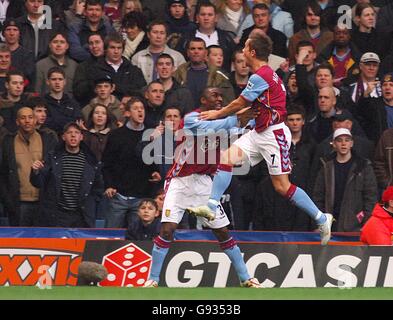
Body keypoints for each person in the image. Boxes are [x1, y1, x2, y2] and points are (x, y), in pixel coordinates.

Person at [188, 31, 333, 245]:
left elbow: (239, 103)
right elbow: (263, 105)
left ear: (252, 52)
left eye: (245, 47)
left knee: (282, 187)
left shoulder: (261, 76)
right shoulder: (267, 74)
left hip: (274, 135)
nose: (243, 50)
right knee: (226, 159)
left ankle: (321, 218)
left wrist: (216, 114)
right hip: (260, 132)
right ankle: (211, 206)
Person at [143, 86, 262, 288]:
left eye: (221, 96)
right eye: (214, 95)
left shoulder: (224, 121)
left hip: (206, 183)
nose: (219, 99)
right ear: (202, 99)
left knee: (222, 232)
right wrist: (238, 116)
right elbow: (215, 127)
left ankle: (246, 278)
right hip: (180, 181)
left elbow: (244, 127)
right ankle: (152, 280)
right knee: (167, 229)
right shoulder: (190, 119)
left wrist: (255, 112)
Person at [102, 97, 161, 228]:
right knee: (111, 237)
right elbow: (107, 164)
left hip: (141, 198)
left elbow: (154, 162)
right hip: (119, 196)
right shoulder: (116, 135)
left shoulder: (152, 134)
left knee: (137, 239)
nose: (140, 111)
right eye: (135, 108)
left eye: (142, 109)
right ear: (127, 113)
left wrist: (155, 172)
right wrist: (109, 185)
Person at [30, 122, 103, 228]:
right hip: (57, 215)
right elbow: (38, 183)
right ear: (63, 137)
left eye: (76, 132)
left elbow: (98, 187)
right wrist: (35, 171)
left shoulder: (91, 161)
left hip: (81, 216)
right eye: (69, 132)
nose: (73, 135)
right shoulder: (53, 157)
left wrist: (91, 204)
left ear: (81, 137)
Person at [0, 107, 57, 226]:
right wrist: (8, 200)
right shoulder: (8, 141)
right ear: (17, 122)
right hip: (18, 204)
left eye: (30, 117)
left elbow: (54, 170)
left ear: (35, 120)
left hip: (42, 203)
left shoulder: (47, 139)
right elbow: (3, 173)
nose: (27, 121)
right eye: (23, 118)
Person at [313, 128, 378, 232]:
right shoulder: (326, 167)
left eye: (347, 140)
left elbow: (370, 197)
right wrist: (320, 223)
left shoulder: (363, 166)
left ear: (351, 143)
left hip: (355, 225)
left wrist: (366, 223)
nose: (343, 144)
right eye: (339, 140)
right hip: (329, 225)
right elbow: (318, 197)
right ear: (334, 144)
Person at [35, 32, 78, 96]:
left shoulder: (74, 65)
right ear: (50, 45)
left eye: (62, 42)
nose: (58, 45)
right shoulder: (40, 65)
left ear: (67, 46)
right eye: (55, 42)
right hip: (46, 104)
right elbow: (37, 90)